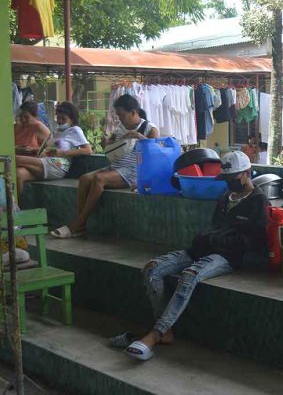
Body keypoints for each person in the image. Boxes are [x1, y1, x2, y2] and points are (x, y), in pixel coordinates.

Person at [112, 151, 268, 361]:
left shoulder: (258, 200)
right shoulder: (225, 197)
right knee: (152, 268)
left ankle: (153, 335)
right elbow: (215, 227)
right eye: (226, 179)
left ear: (247, 173)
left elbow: (252, 241)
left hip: (227, 257)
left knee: (189, 275)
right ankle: (164, 330)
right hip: (203, 248)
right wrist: (206, 238)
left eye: (233, 178)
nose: (229, 183)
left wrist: (216, 240)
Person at [50, 95, 158, 239]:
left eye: (122, 115)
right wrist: (105, 142)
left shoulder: (150, 129)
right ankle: (80, 223)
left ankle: (78, 224)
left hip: (134, 171)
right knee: (84, 179)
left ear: (133, 112)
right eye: (118, 116)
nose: (120, 119)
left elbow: (156, 153)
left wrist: (138, 136)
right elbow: (110, 148)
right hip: (116, 167)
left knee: (99, 180)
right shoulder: (120, 128)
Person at [15, 102, 92, 195]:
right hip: (46, 161)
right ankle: (15, 206)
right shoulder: (56, 131)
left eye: (63, 118)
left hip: (59, 165)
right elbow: (50, 149)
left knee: (14, 159)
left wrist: (63, 153)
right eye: (58, 118)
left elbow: (88, 150)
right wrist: (36, 150)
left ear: (72, 119)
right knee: (18, 173)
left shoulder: (75, 130)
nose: (60, 121)